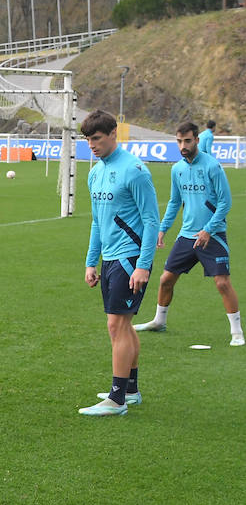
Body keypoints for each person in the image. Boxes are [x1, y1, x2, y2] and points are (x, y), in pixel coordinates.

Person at [79, 110, 160, 416]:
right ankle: (131, 390)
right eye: (88, 140)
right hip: (110, 258)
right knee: (122, 324)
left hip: (130, 258)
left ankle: (116, 399)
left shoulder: (135, 170)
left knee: (117, 324)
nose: (92, 145)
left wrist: (143, 264)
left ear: (114, 133)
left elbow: (152, 221)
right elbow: (98, 222)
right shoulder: (94, 172)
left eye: (97, 138)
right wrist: (91, 262)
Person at [134, 121, 242, 346]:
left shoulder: (212, 166)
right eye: (179, 141)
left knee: (222, 283)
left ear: (197, 140)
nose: (183, 145)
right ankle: (159, 321)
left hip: (213, 235)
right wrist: (162, 230)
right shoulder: (177, 169)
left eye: (187, 141)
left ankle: (237, 332)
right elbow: (175, 202)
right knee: (165, 280)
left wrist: (208, 230)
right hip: (187, 235)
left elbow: (225, 202)